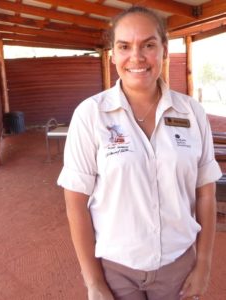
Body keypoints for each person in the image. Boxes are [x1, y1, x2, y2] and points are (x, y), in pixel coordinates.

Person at [57, 6, 222, 300]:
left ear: (164, 50)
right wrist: (93, 282)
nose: (137, 57)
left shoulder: (191, 112)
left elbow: (206, 192)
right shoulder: (91, 114)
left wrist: (204, 264)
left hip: (178, 267)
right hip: (115, 270)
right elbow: (75, 202)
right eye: (124, 46)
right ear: (112, 54)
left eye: (148, 44)